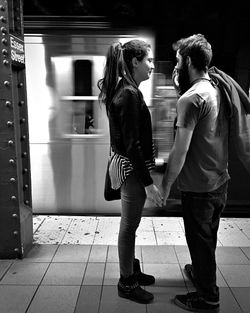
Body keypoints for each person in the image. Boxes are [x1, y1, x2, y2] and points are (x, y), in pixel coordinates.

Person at [161, 34, 230, 313]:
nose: (176, 65)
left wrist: (165, 186)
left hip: (199, 188)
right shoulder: (216, 89)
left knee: (199, 241)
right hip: (219, 181)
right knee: (208, 237)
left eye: (179, 59)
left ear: (188, 60)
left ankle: (208, 298)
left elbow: (180, 151)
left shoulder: (190, 99)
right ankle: (201, 274)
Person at [98, 39, 163, 304]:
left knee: (131, 225)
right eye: (148, 60)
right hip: (133, 171)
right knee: (128, 226)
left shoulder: (128, 90)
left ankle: (131, 268)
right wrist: (149, 184)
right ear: (134, 62)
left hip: (133, 169)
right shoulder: (129, 94)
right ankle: (127, 282)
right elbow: (133, 145)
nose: (152, 65)